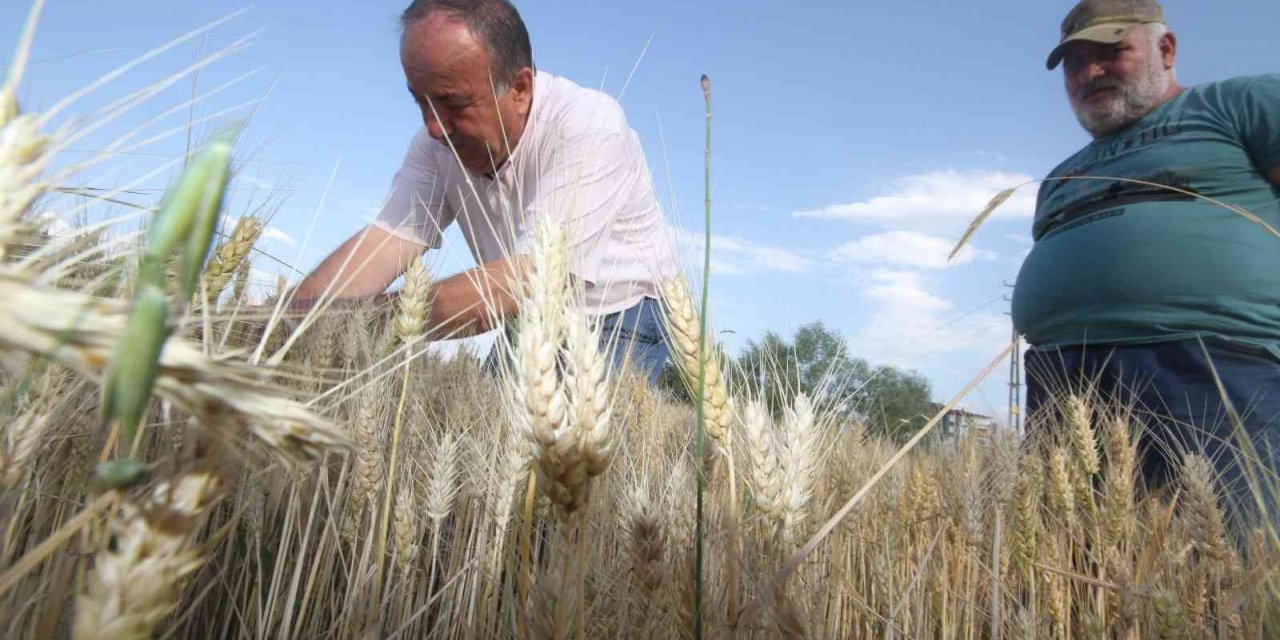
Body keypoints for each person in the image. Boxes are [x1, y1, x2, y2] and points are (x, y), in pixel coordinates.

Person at [292, 0, 677, 383]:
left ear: (521, 88)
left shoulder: (589, 126)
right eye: (419, 101)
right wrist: (285, 320)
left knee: (559, 441)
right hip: (523, 308)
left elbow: (534, 276)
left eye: (453, 102)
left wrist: (354, 322)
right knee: (484, 424)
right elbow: (386, 241)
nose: (433, 127)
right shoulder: (433, 146)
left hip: (618, 313)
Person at [1012, 0, 1280, 522]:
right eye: (1074, 63)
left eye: (1111, 52)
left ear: (1166, 48)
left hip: (1211, 364)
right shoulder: (1061, 175)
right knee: (1066, 573)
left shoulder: (1238, 103)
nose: (1090, 72)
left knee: (1216, 573)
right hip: (1061, 379)